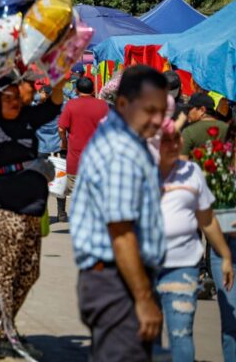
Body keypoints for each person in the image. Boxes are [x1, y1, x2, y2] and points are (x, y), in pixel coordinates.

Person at [70, 65, 169, 362]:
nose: (158, 120)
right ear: (123, 103)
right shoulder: (120, 150)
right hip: (118, 283)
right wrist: (143, 298)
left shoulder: (125, 139)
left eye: (162, 111)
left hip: (118, 280)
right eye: (150, 110)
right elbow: (121, 233)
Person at [0, 75, 64, 358]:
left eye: (17, 96)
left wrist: (59, 82)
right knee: (4, 274)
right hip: (2, 210)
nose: (15, 101)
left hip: (31, 210)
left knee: (29, 271)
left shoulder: (27, 118)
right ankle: (3, 332)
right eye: (7, 97)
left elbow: (51, 107)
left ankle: (1, 325)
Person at [156, 120, 233, 362]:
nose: (173, 145)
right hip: (143, 265)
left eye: (176, 139)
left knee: (181, 333)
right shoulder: (137, 173)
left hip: (183, 266)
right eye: (166, 140)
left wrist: (225, 254)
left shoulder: (192, 172)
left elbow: (206, 218)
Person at [57, 77, 109, 223]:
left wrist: (64, 142)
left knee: (75, 193)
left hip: (76, 160)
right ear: (93, 90)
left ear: (76, 90)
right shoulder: (103, 106)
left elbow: (61, 128)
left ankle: (78, 220)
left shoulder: (71, 105)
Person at [182, 93, 228, 158]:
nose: (187, 112)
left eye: (189, 109)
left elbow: (182, 160)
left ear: (202, 110)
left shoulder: (188, 132)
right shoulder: (227, 128)